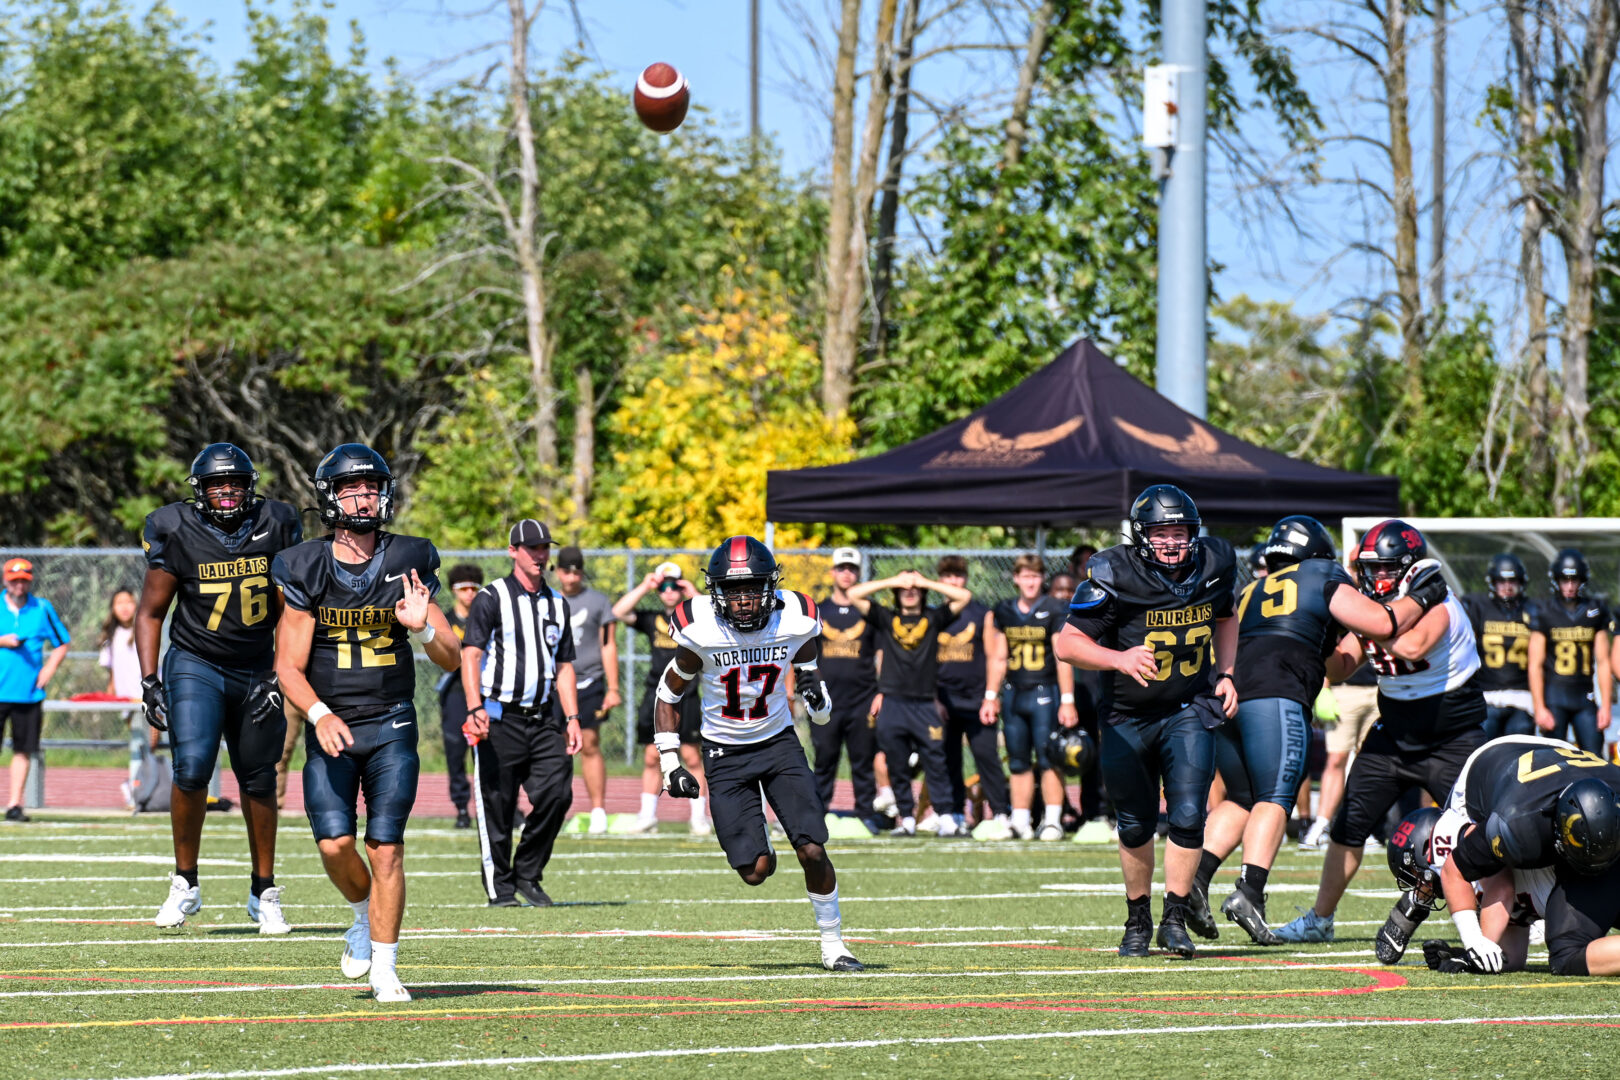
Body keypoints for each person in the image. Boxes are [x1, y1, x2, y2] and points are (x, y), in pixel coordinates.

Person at [1188, 515, 1441, 945]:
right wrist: (1421, 597)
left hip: (1229, 694)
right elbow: (1383, 623)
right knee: (1275, 797)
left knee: (1243, 797)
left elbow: (1332, 662)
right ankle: (1249, 893)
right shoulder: (1323, 573)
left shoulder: (1252, 589)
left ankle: (1194, 881)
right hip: (1277, 695)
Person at [273, 443, 460, 1003]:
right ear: (330, 498)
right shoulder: (305, 564)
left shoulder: (411, 557)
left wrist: (423, 627)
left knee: (386, 848)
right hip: (332, 720)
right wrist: (319, 712)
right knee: (334, 844)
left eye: (372, 487)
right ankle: (361, 912)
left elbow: (453, 655)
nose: (363, 497)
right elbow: (288, 665)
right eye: (352, 488)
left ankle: (385, 966)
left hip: (392, 721)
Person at [654, 535, 863, 971]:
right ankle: (759, 834)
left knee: (812, 848)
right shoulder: (699, 628)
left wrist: (815, 697)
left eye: (752, 588)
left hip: (778, 743)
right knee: (756, 871)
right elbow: (668, 694)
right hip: (723, 752)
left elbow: (820, 712)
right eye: (732, 590)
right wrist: (670, 760)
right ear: (715, 592)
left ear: (771, 587)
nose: (744, 599)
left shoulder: (796, 619)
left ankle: (833, 945)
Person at [1276, 519, 1487, 944]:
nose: (1378, 578)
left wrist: (1366, 620)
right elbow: (1340, 667)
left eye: (1388, 569)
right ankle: (1320, 919)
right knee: (1348, 824)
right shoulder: (1376, 612)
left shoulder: (1439, 601)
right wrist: (1314, 641)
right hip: (1393, 735)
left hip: (1453, 738)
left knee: (1484, 832)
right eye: (1372, 569)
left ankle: (1524, 915)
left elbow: (1411, 646)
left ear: (1412, 569)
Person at [1054, 484, 1238, 958]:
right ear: (1140, 536)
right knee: (1135, 823)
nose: (1173, 543)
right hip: (1126, 715)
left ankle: (1174, 919)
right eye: (1161, 534)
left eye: (1180, 532)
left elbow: (1227, 616)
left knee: (1189, 815)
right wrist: (1118, 659)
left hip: (1188, 708)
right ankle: (1138, 918)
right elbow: (1067, 643)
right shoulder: (1112, 571)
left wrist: (1228, 672)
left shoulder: (1214, 563)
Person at [137, 444, 302, 928]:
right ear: (199, 489)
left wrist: (281, 669)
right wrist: (150, 681)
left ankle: (264, 891)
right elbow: (150, 612)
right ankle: (185, 882)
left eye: (233, 482)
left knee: (258, 776)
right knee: (191, 768)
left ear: (250, 486)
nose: (225, 490)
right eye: (215, 483)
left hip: (256, 665)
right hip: (196, 662)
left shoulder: (278, 523)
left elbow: (293, 609)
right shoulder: (175, 528)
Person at [1410, 736, 1620, 976]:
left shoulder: (1517, 833)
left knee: (1567, 955)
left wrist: (1476, 946)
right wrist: (1474, 947)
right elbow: (1455, 870)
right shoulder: (1518, 825)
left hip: (1551, 769)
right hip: (1503, 772)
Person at [460, 519, 582, 908]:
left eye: (545, 548)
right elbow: (471, 655)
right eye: (532, 548)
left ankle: (528, 872)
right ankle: (501, 887)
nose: (541, 556)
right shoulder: (491, 598)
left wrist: (573, 717)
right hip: (498, 717)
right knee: (497, 804)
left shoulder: (558, 604)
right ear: (513, 551)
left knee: (558, 793)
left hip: (544, 717)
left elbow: (564, 666)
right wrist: (474, 706)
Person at [846, 568, 974, 836]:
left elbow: (964, 596)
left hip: (925, 704)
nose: (910, 591)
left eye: (914, 589)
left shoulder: (934, 617)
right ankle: (906, 819)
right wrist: (895, 579)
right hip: (893, 702)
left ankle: (946, 817)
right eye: (904, 589)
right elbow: (853, 593)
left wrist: (923, 580)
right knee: (897, 764)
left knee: (936, 763)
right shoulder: (886, 617)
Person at [988, 555, 1079, 840]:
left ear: (1042, 579)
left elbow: (1062, 656)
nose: (1030, 582)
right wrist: (990, 695)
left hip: (1045, 691)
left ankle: (1052, 820)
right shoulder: (1004, 610)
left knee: (1049, 758)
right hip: (1015, 692)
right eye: (1025, 576)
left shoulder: (1054, 609)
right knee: (1017, 761)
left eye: (1035, 576)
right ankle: (1021, 820)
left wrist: (1067, 699)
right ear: (1015, 578)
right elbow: (999, 657)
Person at [614, 563, 709, 834]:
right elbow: (619, 612)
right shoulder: (654, 618)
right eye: (664, 587)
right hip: (656, 695)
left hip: (687, 694)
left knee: (691, 755)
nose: (669, 591)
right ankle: (647, 816)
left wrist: (691, 591)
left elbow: (713, 614)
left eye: (675, 586)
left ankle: (698, 817)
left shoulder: (692, 617)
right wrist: (646, 585)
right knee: (651, 756)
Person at [935, 556, 1011, 838]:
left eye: (958, 576)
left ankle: (1001, 813)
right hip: (944, 700)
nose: (953, 582)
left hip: (977, 699)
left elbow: (994, 656)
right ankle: (955, 813)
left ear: (965, 579)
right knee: (948, 758)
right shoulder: (935, 615)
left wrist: (991, 696)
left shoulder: (982, 614)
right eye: (947, 577)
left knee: (986, 757)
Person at [551, 546, 621, 835]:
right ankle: (552, 808)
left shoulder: (597, 602)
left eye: (576, 570)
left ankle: (598, 810)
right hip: (552, 684)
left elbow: (609, 645)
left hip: (590, 682)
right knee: (554, 748)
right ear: (557, 571)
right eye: (566, 570)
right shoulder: (546, 600)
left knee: (590, 743)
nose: (571, 576)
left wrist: (613, 687)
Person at [812, 547, 883, 833]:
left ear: (859, 574)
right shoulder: (819, 611)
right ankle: (817, 815)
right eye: (841, 568)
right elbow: (804, 657)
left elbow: (882, 656)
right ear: (832, 572)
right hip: (826, 701)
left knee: (862, 761)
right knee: (824, 760)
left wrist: (881, 692)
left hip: (863, 700)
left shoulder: (869, 612)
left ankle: (866, 814)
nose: (846, 573)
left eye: (852, 569)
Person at [0, 559, 70, 823]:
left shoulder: (41, 608)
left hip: (28, 694)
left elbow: (62, 642)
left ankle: (15, 804)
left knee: (23, 750)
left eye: (24, 580)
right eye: (14, 579)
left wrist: (49, 668)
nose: (19, 584)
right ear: (6, 580)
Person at [1529, 549, 1611, 755]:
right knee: (1553, 761)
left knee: (1595, 759)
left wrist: (1606, 706)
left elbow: (1603, 662)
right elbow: (1535, 664)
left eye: (1574, 580)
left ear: (1583, 581)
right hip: (1554, 695)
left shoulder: (1595, 609)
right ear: (1556, 581)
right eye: (1565, 580)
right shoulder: (1545, 610)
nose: (1570, 586)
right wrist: (1539, 707)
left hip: (1585, 696)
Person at [1461, 554, 1536, 741]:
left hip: (1522, 696)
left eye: (1512, 581)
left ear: (1521, 582)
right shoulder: (1478, 607)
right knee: (1482, 748)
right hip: (1487, 694)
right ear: (1492, 582)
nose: (1507, 586)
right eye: (1501, 581)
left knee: (1520, 747)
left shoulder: (1533, 609)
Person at [439, 564, 485, 828]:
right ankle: (461, 809)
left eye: (473, 588)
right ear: (454, 591)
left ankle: (499, 807)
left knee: (488, 753)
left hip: (482, 693)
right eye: (463, 589)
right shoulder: (445, 620)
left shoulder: (486, 617)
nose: (469, 594)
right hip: (454, 693)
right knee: (455, 752)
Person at [97, 590, 143, 803]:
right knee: (140, 745)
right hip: (128, 701)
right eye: (119, 603)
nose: (124, 607)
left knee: (146, 744)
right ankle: (137, 791)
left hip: (149, 699)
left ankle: (138, 788)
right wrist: (111, 691)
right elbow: (112, 673)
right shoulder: (111, 636)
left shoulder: (145, 629)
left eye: (129, 602)